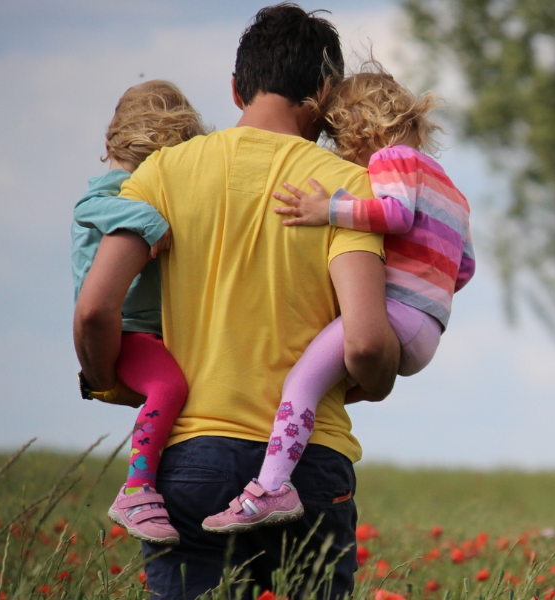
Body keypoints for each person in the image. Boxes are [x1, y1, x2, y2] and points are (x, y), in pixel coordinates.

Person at [73, 4, 400, 598]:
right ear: (324, 91)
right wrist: (372, 381)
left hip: (190, 460)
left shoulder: (162, 174)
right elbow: (369, 340)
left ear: (234, 88)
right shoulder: (347, 188)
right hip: (309, 465)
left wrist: (107, 381)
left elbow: (96, 309)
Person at [202, 66, 475, 533]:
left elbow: (394, 214)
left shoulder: (392, 160)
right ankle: (285, 464)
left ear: (361, 128)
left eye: (339, 138)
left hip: (395, 314)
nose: (341, 152)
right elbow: (464, 268)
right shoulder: (452, 189)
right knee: (325, 386)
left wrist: (326, 209)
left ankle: (271, 488)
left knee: (301, 383)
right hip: (429, 328)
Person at [71, 80, 207, 545]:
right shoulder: (114, 191)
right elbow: (89, 206)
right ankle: (137, 489)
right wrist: (149, 220)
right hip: (127, 331)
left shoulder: (136, 184)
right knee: (169, 386)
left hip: (150, 331)